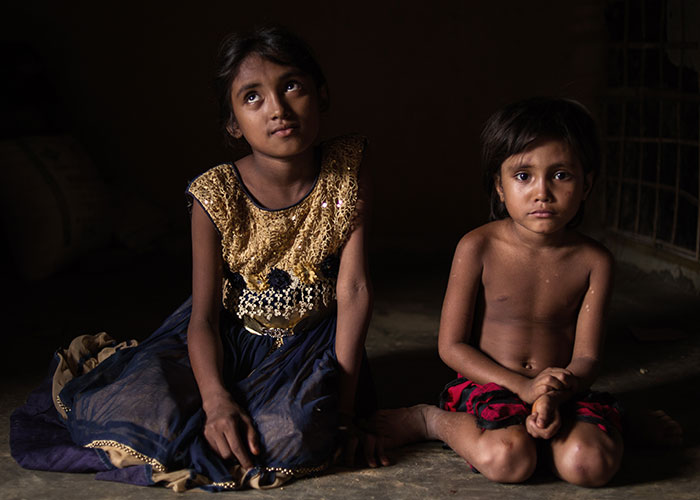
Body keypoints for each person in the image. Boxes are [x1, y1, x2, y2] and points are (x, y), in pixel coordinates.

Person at [10, 25, 387, 492]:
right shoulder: (214, 193)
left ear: (321, 94)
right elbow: (204, 317)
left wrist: (347, 413)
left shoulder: (349, 169)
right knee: (148, 409)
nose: (278, 108)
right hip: (229, 334)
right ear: (232, 122)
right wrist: (215, 401)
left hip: (313, 343)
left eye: (292, 86)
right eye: (252, 97)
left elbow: (353, 289)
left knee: (294, 432)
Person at [375, 97, 626, 487]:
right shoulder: (478, 247)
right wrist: (523, 387)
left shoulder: (595, 261)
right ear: (499, 185)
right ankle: (432, 420)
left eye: (561, 175)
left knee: (588, 465)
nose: (542, 192)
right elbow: (452, 347)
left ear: (587, 183)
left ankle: (610, 426)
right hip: (488, 387)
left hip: (561, 389)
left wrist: (551, 394)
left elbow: (588, 357)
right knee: (509, 460)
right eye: (523, 176)